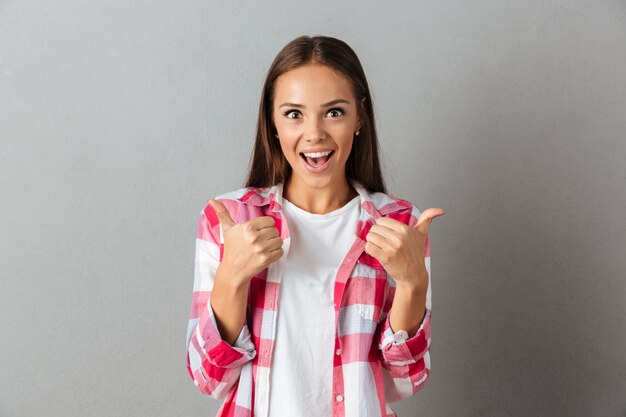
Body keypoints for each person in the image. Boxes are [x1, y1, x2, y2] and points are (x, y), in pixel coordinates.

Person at [185, 34, 445, 417]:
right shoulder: (230, 221)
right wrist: (231, 278)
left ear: (359, 118)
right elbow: (209, 379)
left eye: (334, 112)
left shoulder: (399, 225)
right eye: (294, 114)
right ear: (272, 122)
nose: (315, 133)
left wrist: (412, 285)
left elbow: (404, 383)